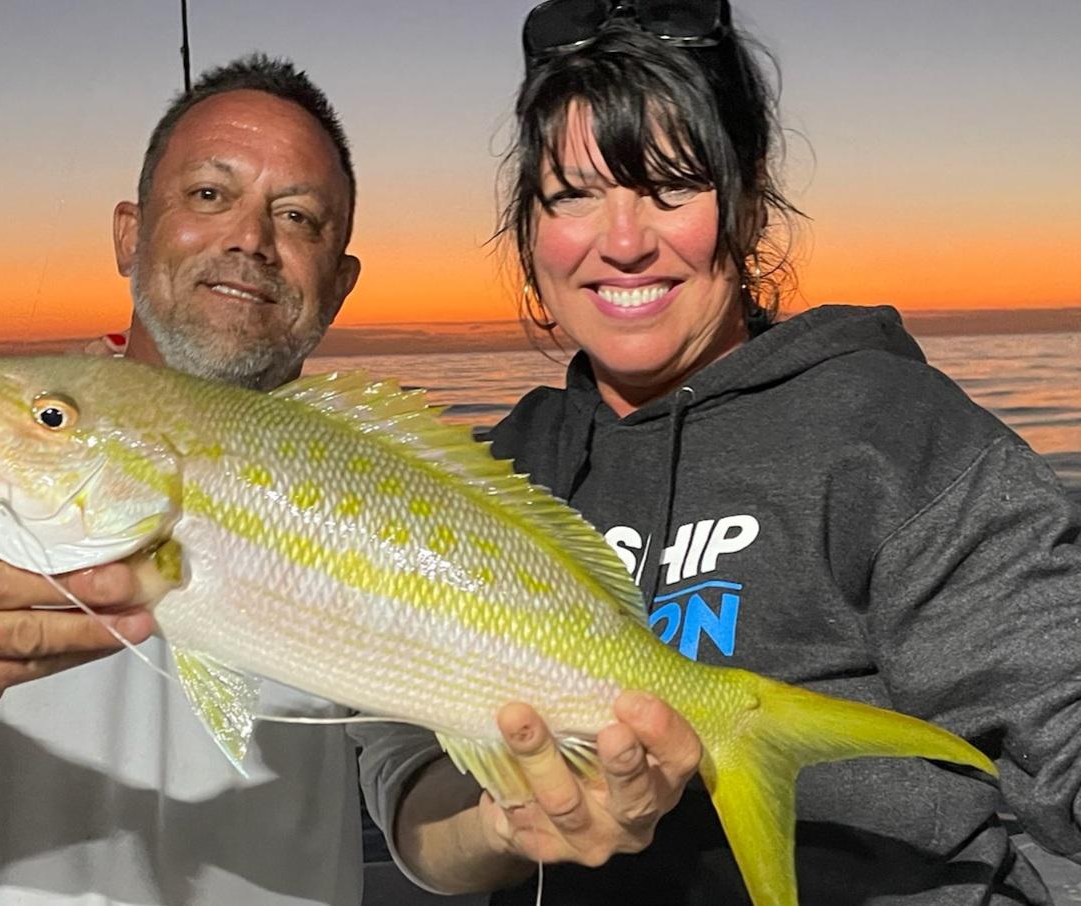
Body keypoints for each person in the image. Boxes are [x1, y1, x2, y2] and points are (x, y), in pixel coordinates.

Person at [0, 51, 700, 905]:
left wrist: (509, 821)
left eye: (299, 217)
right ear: (130, 232)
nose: (249, 238)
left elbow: (419, 814)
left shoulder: (378, 489)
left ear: (338, 283)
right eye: (207, 195)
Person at [360, 1, 1081, 904]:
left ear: (743, 200)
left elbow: (1058, 699)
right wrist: (501, 827)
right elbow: (413, 801)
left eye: (673, 185)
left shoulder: (886, 429)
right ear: (529, 227)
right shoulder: (494, 470)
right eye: (574, 194)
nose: (623, 242)